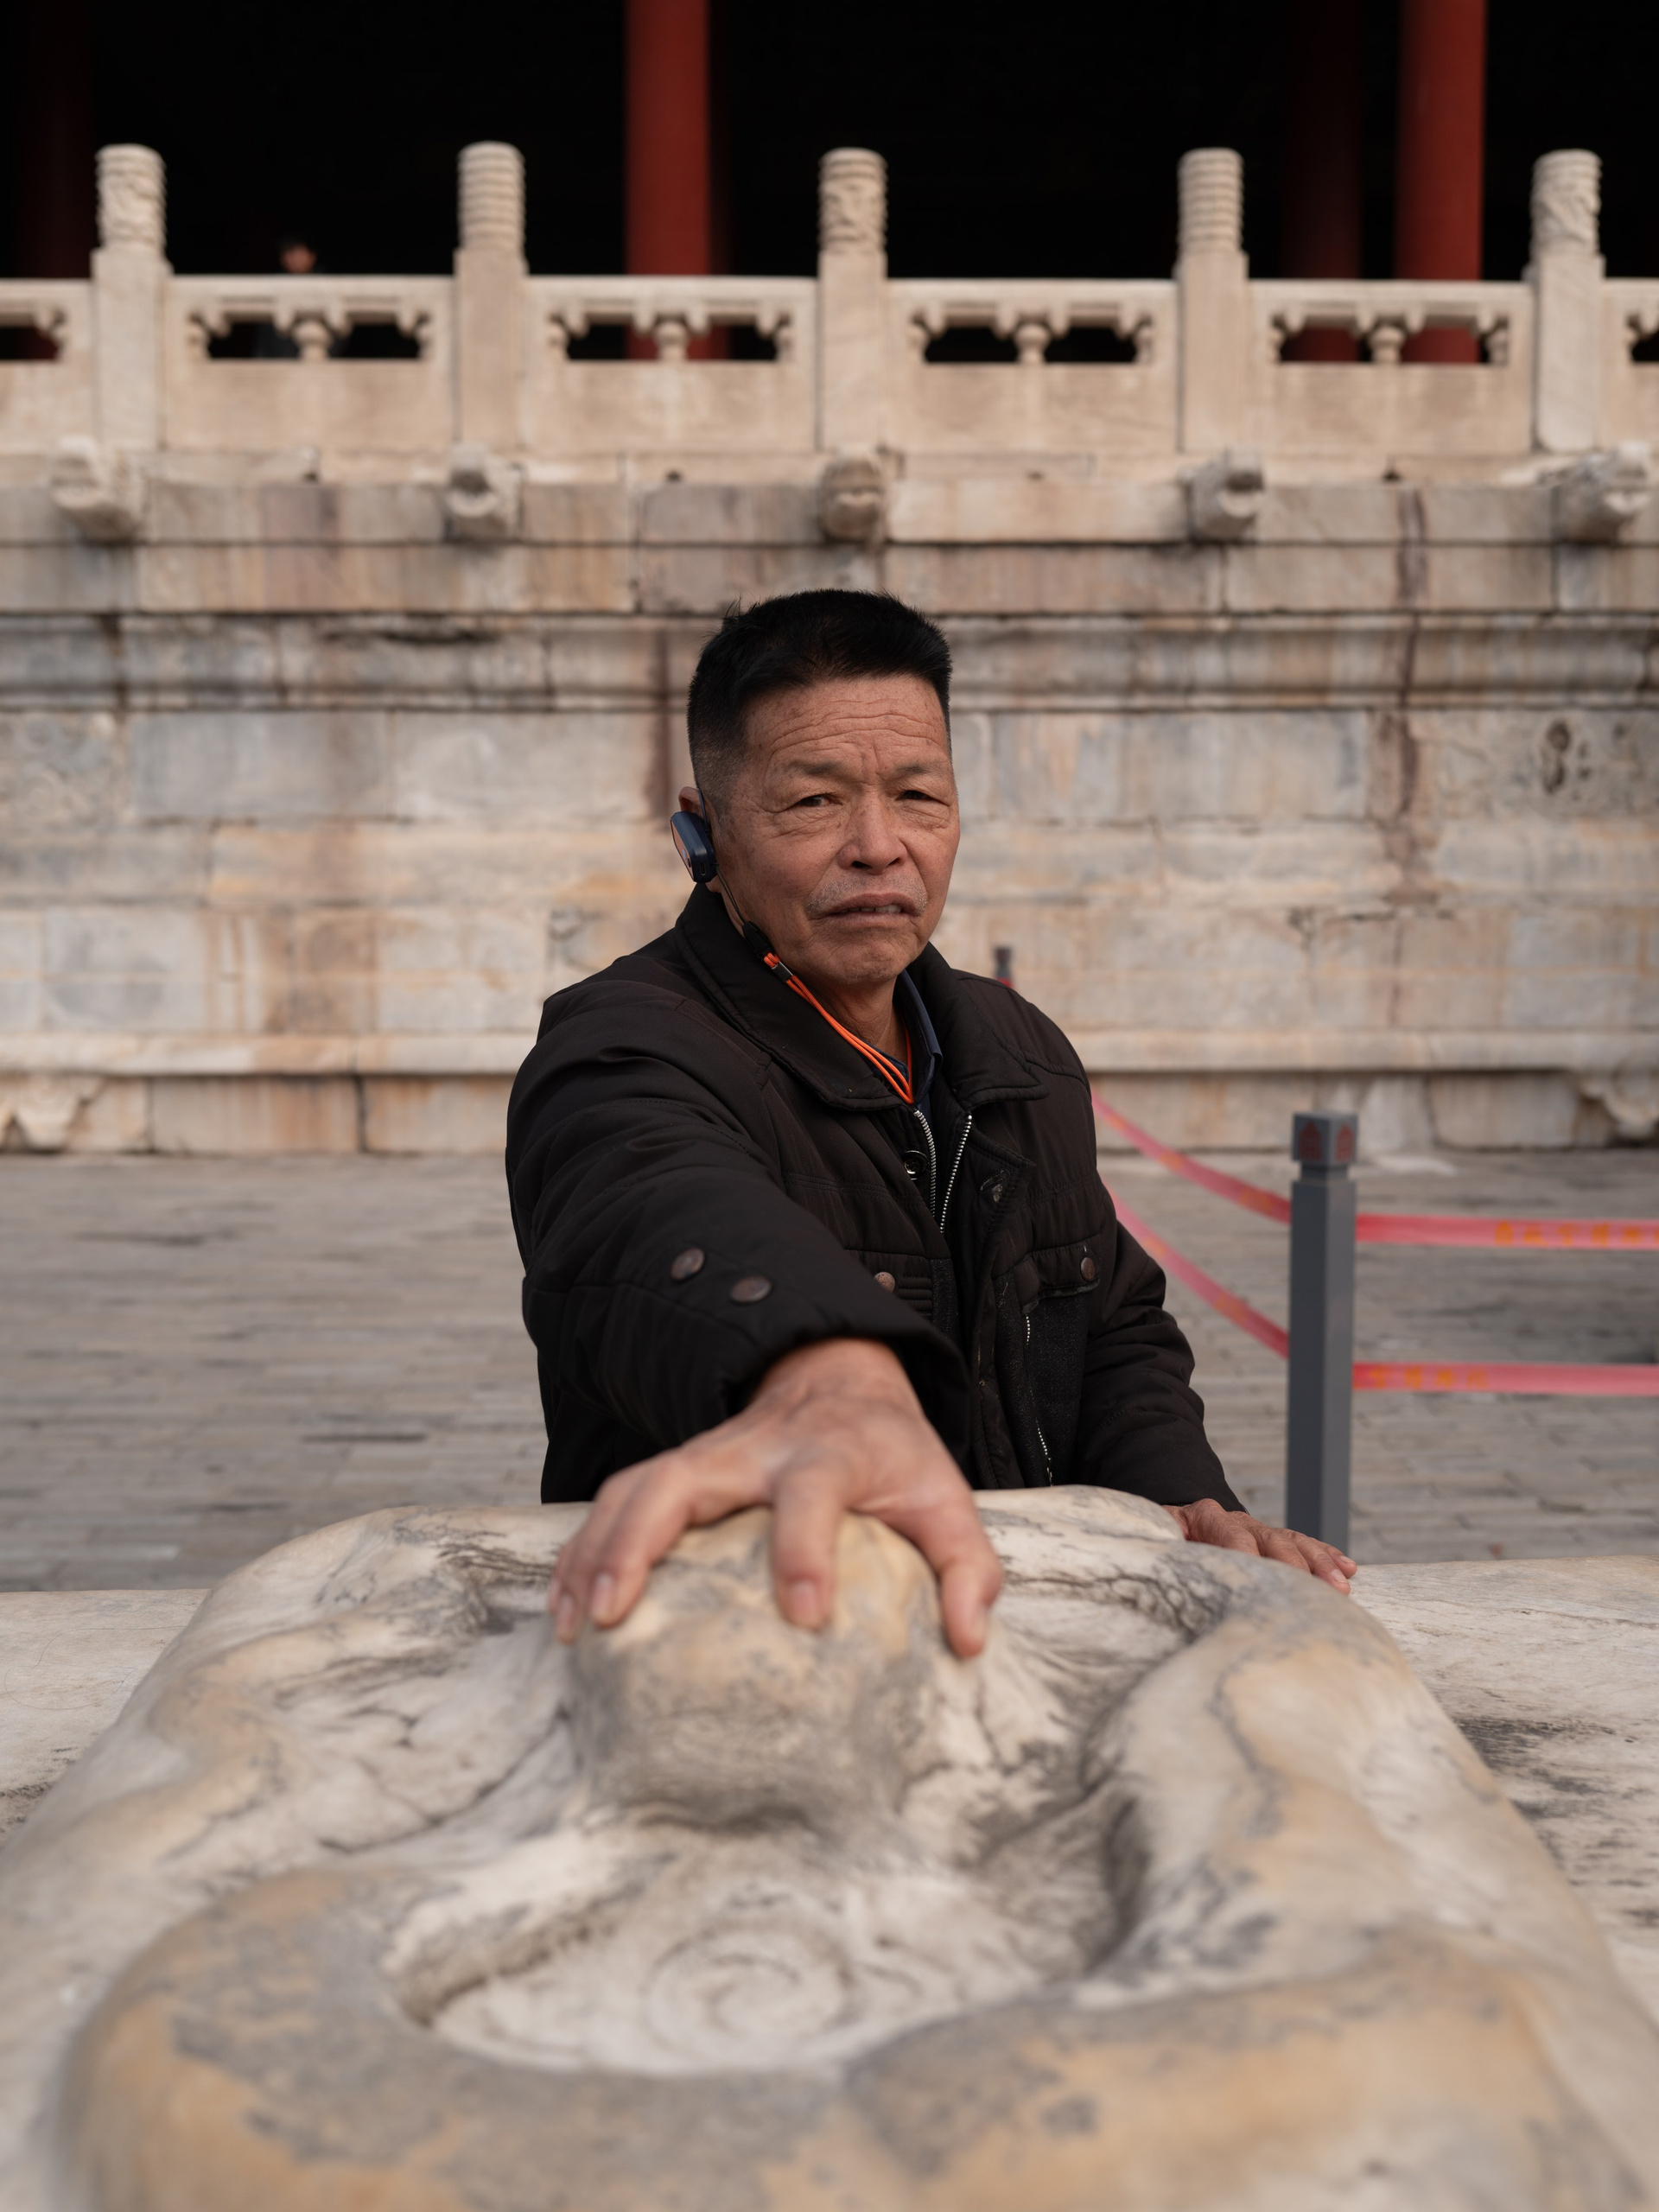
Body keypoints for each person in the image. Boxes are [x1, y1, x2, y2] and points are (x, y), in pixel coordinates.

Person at [506, 590, 1355, 1658]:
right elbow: (654, 1207)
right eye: (813, 801)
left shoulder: (1017, 1047)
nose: (879, 846)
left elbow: (1109, 1324)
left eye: (918, 795)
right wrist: (831, 1386)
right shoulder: (619, 1046)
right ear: (704, 829)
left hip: (1023, 1635)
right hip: (754, 1639)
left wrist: (1181, 1502)